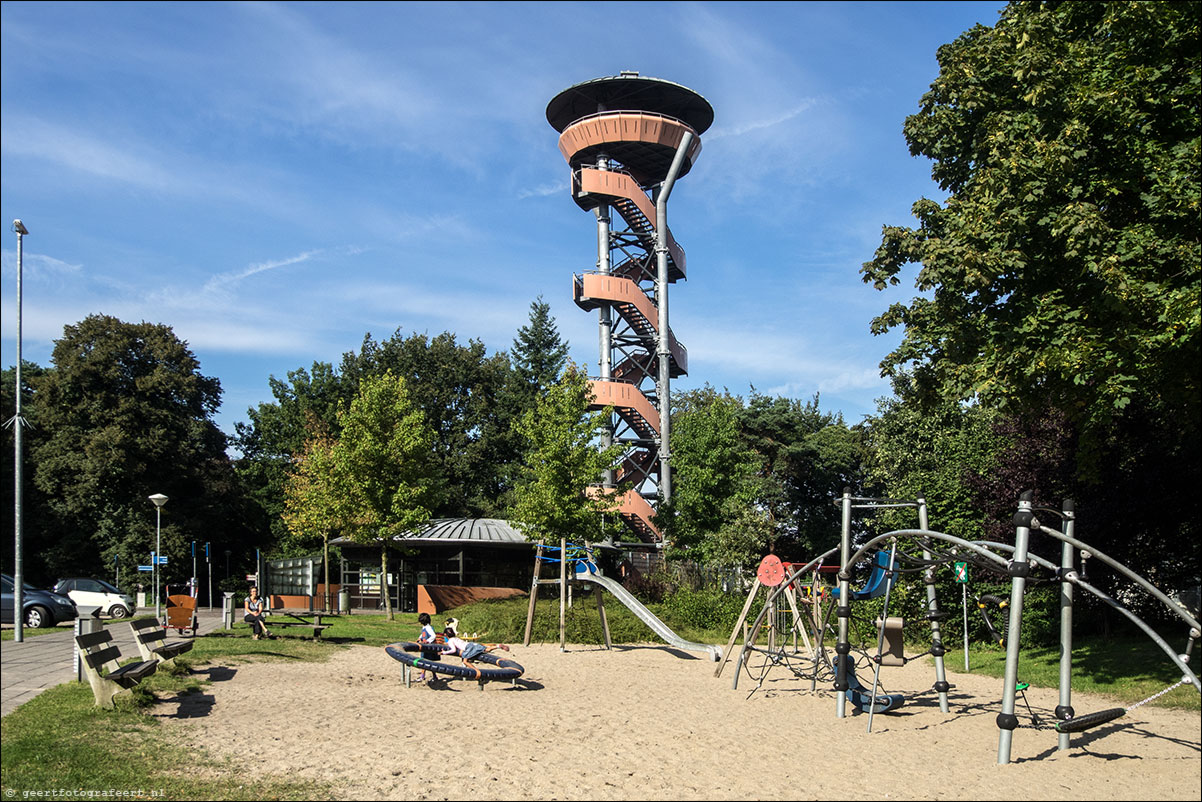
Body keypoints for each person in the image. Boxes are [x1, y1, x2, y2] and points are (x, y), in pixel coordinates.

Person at [442, 626, 509, 668]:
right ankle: (498, 646)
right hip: (471, 644)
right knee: (486, 650)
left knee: (465, 661)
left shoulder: (450, 641)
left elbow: (453, 650)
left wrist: (444, 652)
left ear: (445, 634)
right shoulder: (456, 638)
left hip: (468, 648)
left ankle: (476, 671)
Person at [416, 613, 438, 682]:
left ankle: (423, 676)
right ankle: (433, 676)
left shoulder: (428, 628)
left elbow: (433, 636)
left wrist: (427, 641)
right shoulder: (425, 627)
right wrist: (419, 638)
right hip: (425, 648)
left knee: (426, 662)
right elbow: (423, 634)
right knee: (426, 662)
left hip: (429, 648)